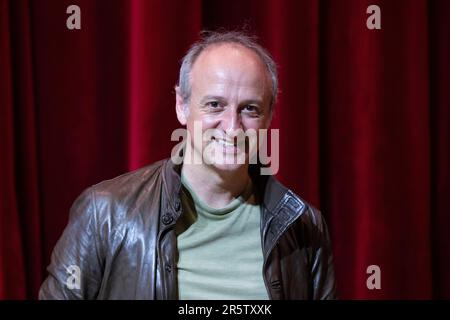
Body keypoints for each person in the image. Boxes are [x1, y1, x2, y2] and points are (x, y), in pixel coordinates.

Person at [39, 31, 337, 300]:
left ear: (269, 117)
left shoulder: (304, 227)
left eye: (250, 108)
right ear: (182, 106)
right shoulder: (105, 213)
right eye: (214, 105)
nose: (232, 127)